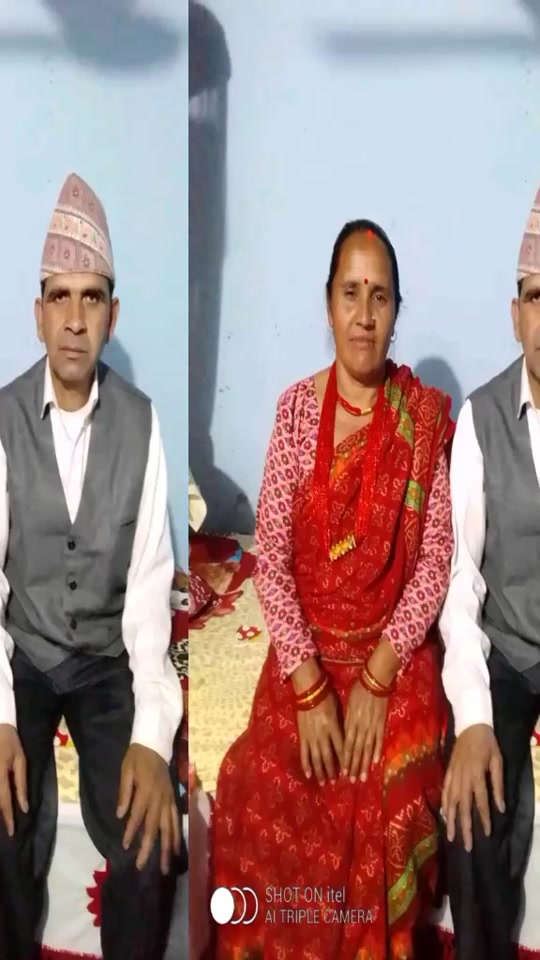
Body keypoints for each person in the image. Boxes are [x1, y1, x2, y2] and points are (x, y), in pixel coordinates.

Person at [210, 219, 455, 959]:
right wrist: (310, 688)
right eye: (351, 293)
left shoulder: (420, 420)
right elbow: (272, 558)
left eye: (380, 296)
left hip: (394, 655)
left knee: (387, 787)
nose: (365, 314)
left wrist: (379, 676)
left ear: (397, 311)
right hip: (308, 651)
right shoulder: (294, 413)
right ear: (327, 305)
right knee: (257, 779)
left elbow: (435, 558)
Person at [0, 173, 183, 960]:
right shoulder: (3, 420)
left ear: (114, 314)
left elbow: (148, 591)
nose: (75, 320)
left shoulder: (142, 424)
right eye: (61, 298)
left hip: (105, 660)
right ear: (38, 313)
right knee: (2, 817)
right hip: (24, 654)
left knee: (150, 835)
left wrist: (151, 735)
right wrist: (0, 719)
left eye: (92, 299)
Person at [440, 186, 540, 959]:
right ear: (516, 315)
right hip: (507, 650)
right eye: (538, 298)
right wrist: (473, 717)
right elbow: (459, 578)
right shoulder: (481, 417)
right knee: (474, 811)